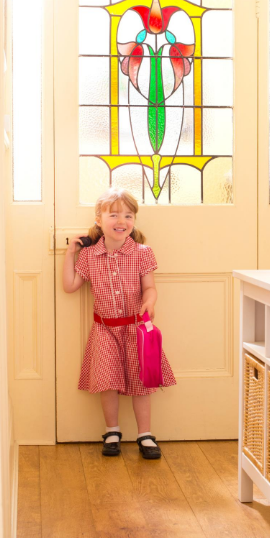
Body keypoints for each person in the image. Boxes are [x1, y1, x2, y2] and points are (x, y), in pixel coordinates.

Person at [62, 187, 178, 459]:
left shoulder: (142, 252)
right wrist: (70, 253)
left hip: (136, 329)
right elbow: (69, 286)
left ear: (134, 221)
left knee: (141, 382)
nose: (121, 221)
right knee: (107, 381)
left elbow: (150, 288)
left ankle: (145, 434)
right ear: (99, 220)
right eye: (113, 215)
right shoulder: (90, 256)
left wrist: (150, 301)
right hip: (104, 329)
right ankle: (112, 431)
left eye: (128, 215)